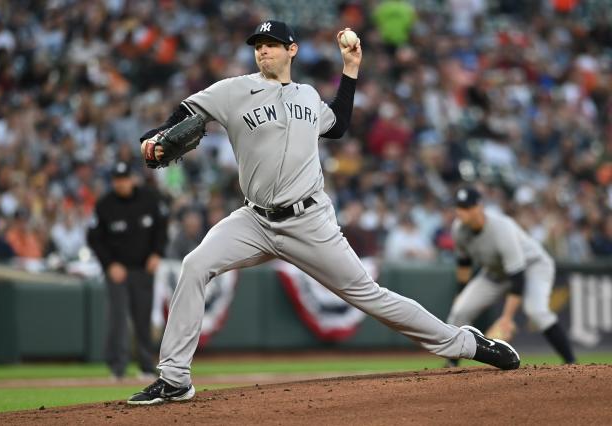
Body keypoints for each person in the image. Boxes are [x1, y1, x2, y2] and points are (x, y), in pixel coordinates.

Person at [127, 21, 520, 405]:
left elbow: (339, 124)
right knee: (195, 265)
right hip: (254, 219)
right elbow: (184, 112)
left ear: (291, 50)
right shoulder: (233, 91)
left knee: (371, 297)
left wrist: (350, 69)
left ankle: (466, 342)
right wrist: (153, 138)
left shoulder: (307, 96)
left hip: (309, 221)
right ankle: (175, 380)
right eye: (258, 44)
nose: (263, 50)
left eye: (272, 43)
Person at [445, 186, 576, 367]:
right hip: (495, 272)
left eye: (467, 207)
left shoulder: (501, 228)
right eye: (459, 207)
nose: (462, 212)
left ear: (479, 207)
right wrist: (460, 293)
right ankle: (451, 365)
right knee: (459, 312)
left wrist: (507, 318)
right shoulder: (458, 229)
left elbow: (517, 277)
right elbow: (464, 263)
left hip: (532, 267)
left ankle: (571, 362)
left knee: (536, 311)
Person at [87, 161, 169, 380]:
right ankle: (118, 367)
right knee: (118, 320)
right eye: (117, 180)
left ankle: (145, 366)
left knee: (143, 319)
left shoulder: (149, 199)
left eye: (124, 179)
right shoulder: (104, 205)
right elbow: (94, 239)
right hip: (118, 271)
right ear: (113, 181)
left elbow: (162, 228)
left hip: (144, 269)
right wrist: (109, 264)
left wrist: (157, 253)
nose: (121, 184)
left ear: (132, 179)